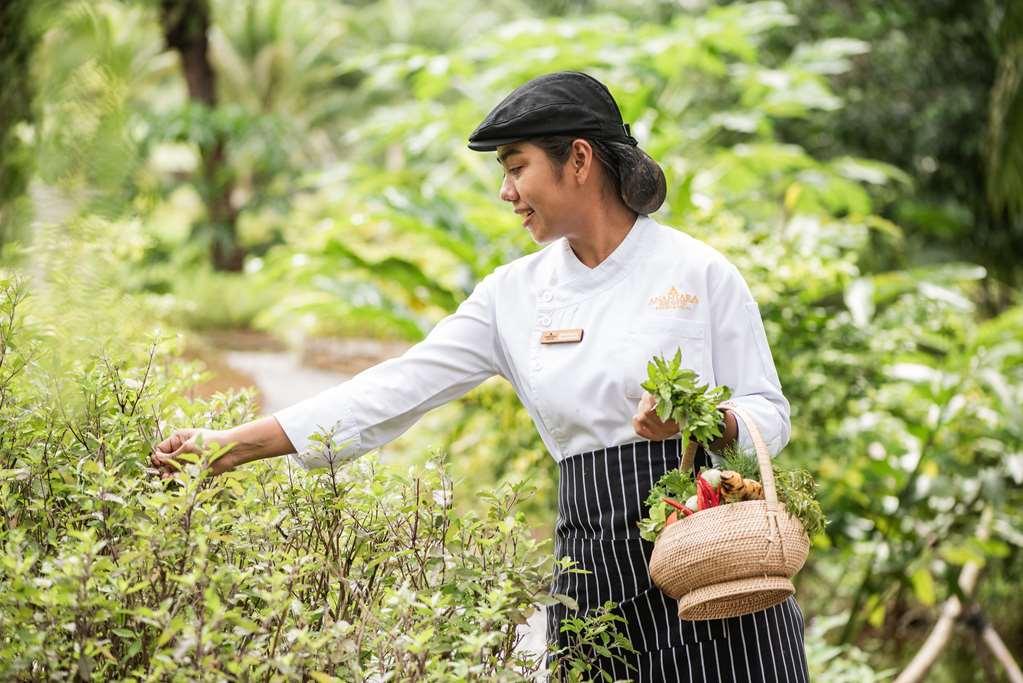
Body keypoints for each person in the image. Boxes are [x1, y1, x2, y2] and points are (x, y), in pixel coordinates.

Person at [152, 71, 809, 682]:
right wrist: (231, 445)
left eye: (516, 167)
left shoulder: (697, 273)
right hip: (596, 576)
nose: (506, 192)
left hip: (718, 566)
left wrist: (703, 421)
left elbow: (768, 417)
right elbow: (395, 388)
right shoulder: (512, 297)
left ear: (578, 160)